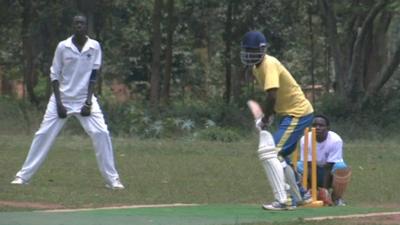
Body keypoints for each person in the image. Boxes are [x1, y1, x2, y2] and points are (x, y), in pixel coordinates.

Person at [11, 14, 124, 190]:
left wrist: (88, 103)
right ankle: (22, 177)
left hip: (84, 99)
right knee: (43, 135)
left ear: (86, 27)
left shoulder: (94, 47)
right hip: (61, 98)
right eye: (76, 23)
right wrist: (59, 103)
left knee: (101, 133)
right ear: (72, 26)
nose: (79, 26)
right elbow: (55, 75)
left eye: (82, 24)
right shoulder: (63, 47)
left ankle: (113, 180)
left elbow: (94, 75)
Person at [241, 31, 313, 210]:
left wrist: (266, 118)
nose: (250, 54)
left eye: (253, 50)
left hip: (298, 113)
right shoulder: (256, 67)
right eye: (247, 50)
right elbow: (274, 96)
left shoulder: (269, 64)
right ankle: (301, 195)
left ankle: (284, 200)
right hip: (289, 114)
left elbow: (272, 95)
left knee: (270, 151)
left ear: (263, 49)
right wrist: (271, 115)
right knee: (279, 154)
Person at [298, 115, 351, 206]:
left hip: (329, 171)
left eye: (321, 125)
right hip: (312, 169)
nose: (317, 128)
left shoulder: (335, 140)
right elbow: (309, 165)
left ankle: (336, 198)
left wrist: (324, 189)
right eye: (315, 125)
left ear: (328, 128)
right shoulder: (305, 139)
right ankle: (307, 194)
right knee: (297, 165)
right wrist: (315, 189)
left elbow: (329, 165)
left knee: (341, 167)